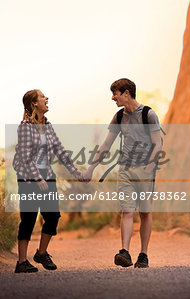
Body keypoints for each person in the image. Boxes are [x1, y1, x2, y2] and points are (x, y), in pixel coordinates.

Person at [83, 78, 162, 268]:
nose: (113, 98)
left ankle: (143, 254)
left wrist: (151, 165)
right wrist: (91, 168)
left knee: (144, 212)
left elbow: (158, 142)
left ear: (126, 93)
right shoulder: (119, 117)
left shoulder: (148, 115)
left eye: (115, 94)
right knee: (127, 210)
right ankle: (125, 252)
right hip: (125, 169)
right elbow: (106, 145)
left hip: (145, 170)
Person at [13, 89, 83, 273]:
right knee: (28, 218)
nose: (47, 98)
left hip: (47, 175)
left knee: (53, 216)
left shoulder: (48, 125)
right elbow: (25, 158)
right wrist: (38, 178)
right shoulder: (25, 126)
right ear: (34, 103)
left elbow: (60, 152)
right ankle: (21, 262)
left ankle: (41, 253)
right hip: (28, 177)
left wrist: (76, 172)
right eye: (43, 96)